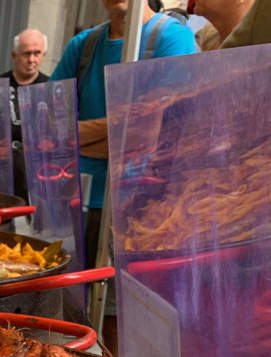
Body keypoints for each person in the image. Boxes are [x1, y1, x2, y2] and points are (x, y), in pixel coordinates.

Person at [50, 0, 196, 263]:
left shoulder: (172, 38)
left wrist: (73, 137)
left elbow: (147, 136)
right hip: (75, 199)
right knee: (67, 298)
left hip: (136, 208)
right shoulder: (83, 45)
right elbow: (49, 129)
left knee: (114, 301)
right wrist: (121, 129)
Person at [0, 28, 48, 200]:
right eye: (26, 54)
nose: (32, 60)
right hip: (0, 170)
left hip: (38, 172)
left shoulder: (50, 87)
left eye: (37, 53)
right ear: (14, 55)